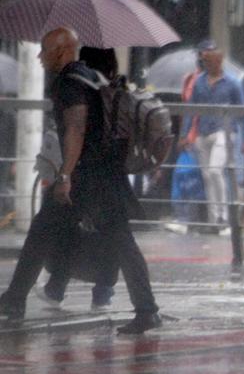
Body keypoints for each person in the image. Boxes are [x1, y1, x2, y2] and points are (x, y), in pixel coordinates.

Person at [0, 28, 160, 333]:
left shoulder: (69, 82)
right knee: (46, 229)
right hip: (102, 173)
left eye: (44, 50)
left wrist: (65, 175)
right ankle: (15, 298)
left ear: (61, 51)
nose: (39, 56)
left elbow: (76, 128)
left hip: (88, 177)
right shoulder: (93, 77)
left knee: (118, 241)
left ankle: (147, 309)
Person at [35, 47, 120, 311]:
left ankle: (55, 288)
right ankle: (102, 294)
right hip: (111, 174)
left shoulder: (80, 88)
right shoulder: (113, 90)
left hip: (84, 172)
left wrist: (65, 174)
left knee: (64, 228)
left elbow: (76, 130)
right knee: (113, 234)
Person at [178, 40, 244, 235]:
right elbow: (191, 110)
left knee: (215, 170)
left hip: (225, 131)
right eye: (205, 61)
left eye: (210, 61)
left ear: (219, 61)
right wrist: (185, 134)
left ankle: (224, 218)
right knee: (208, 176)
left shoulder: (233, 83)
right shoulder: (199, 82)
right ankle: (213, 219)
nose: (207, 64)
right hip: (203, 133)